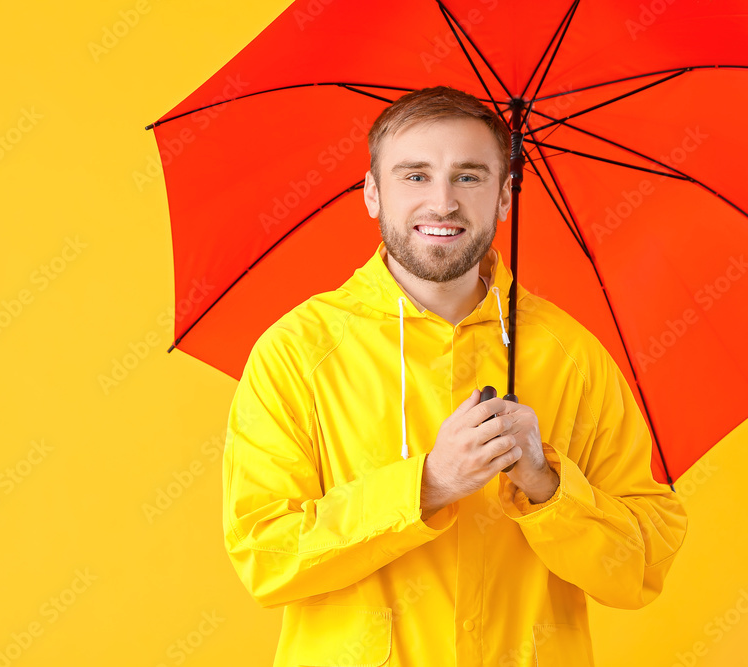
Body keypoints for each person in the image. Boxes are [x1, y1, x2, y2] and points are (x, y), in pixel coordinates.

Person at [221, 86, 688, 667]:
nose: (442, 202)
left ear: (504, 196)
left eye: (469, 177)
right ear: (372, 193)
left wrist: (546, 485)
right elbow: (265, 557)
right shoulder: (295, 354)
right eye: (415, 176)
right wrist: (429, 484)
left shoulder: (573, 356)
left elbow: (641, 568)